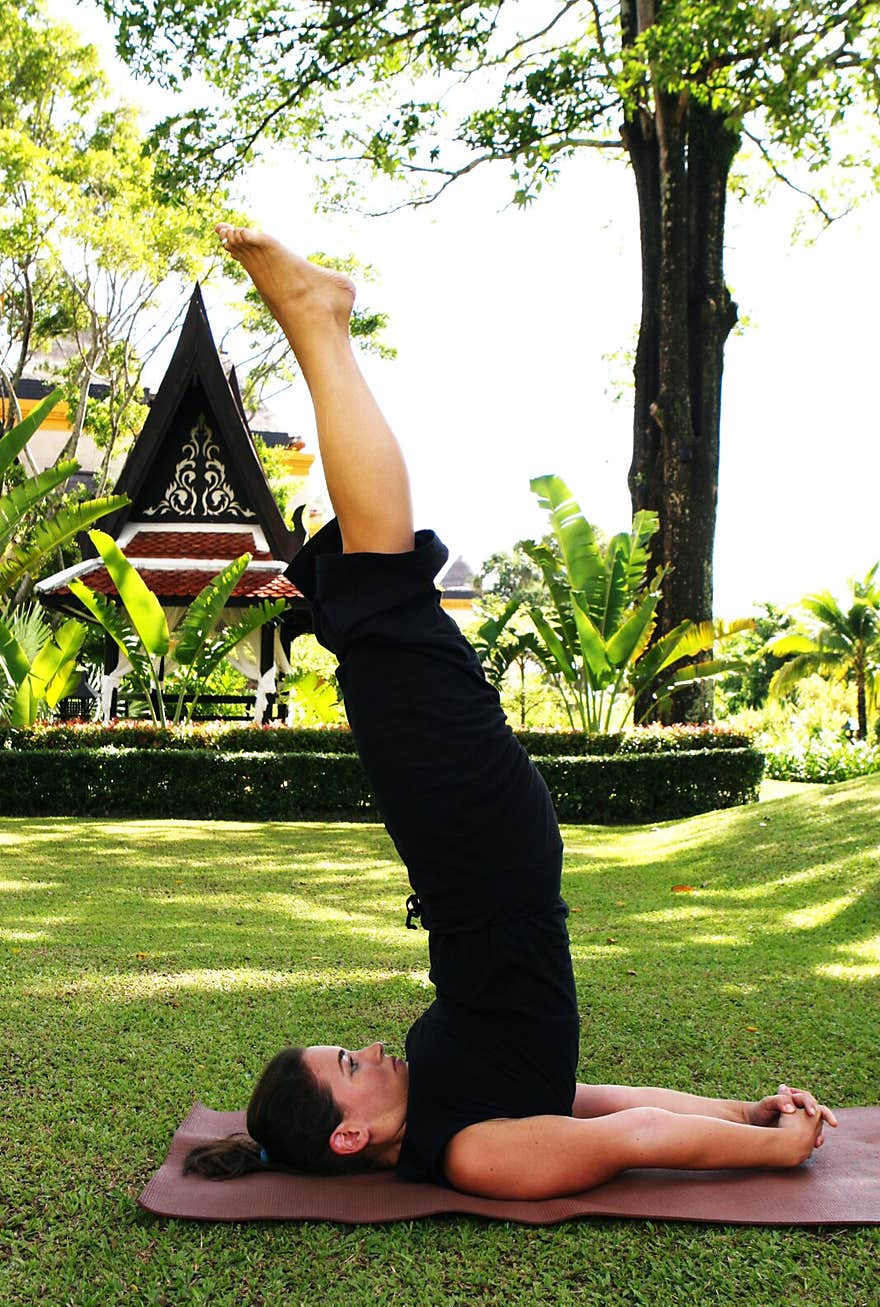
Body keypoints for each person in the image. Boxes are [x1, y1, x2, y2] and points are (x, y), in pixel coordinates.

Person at [185, 225, 837, 1200]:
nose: (370, 1046)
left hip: (475, 858)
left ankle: (318, 323)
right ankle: (318, 323)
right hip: (483, 853)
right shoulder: (475, 1153)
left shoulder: (459, 1102)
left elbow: (588, 1096)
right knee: (382, 608)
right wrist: (772, 1149)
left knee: (375, 631)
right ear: (354, 1136)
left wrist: (744, 1111)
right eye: (351, 1066)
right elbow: (629, 1134)